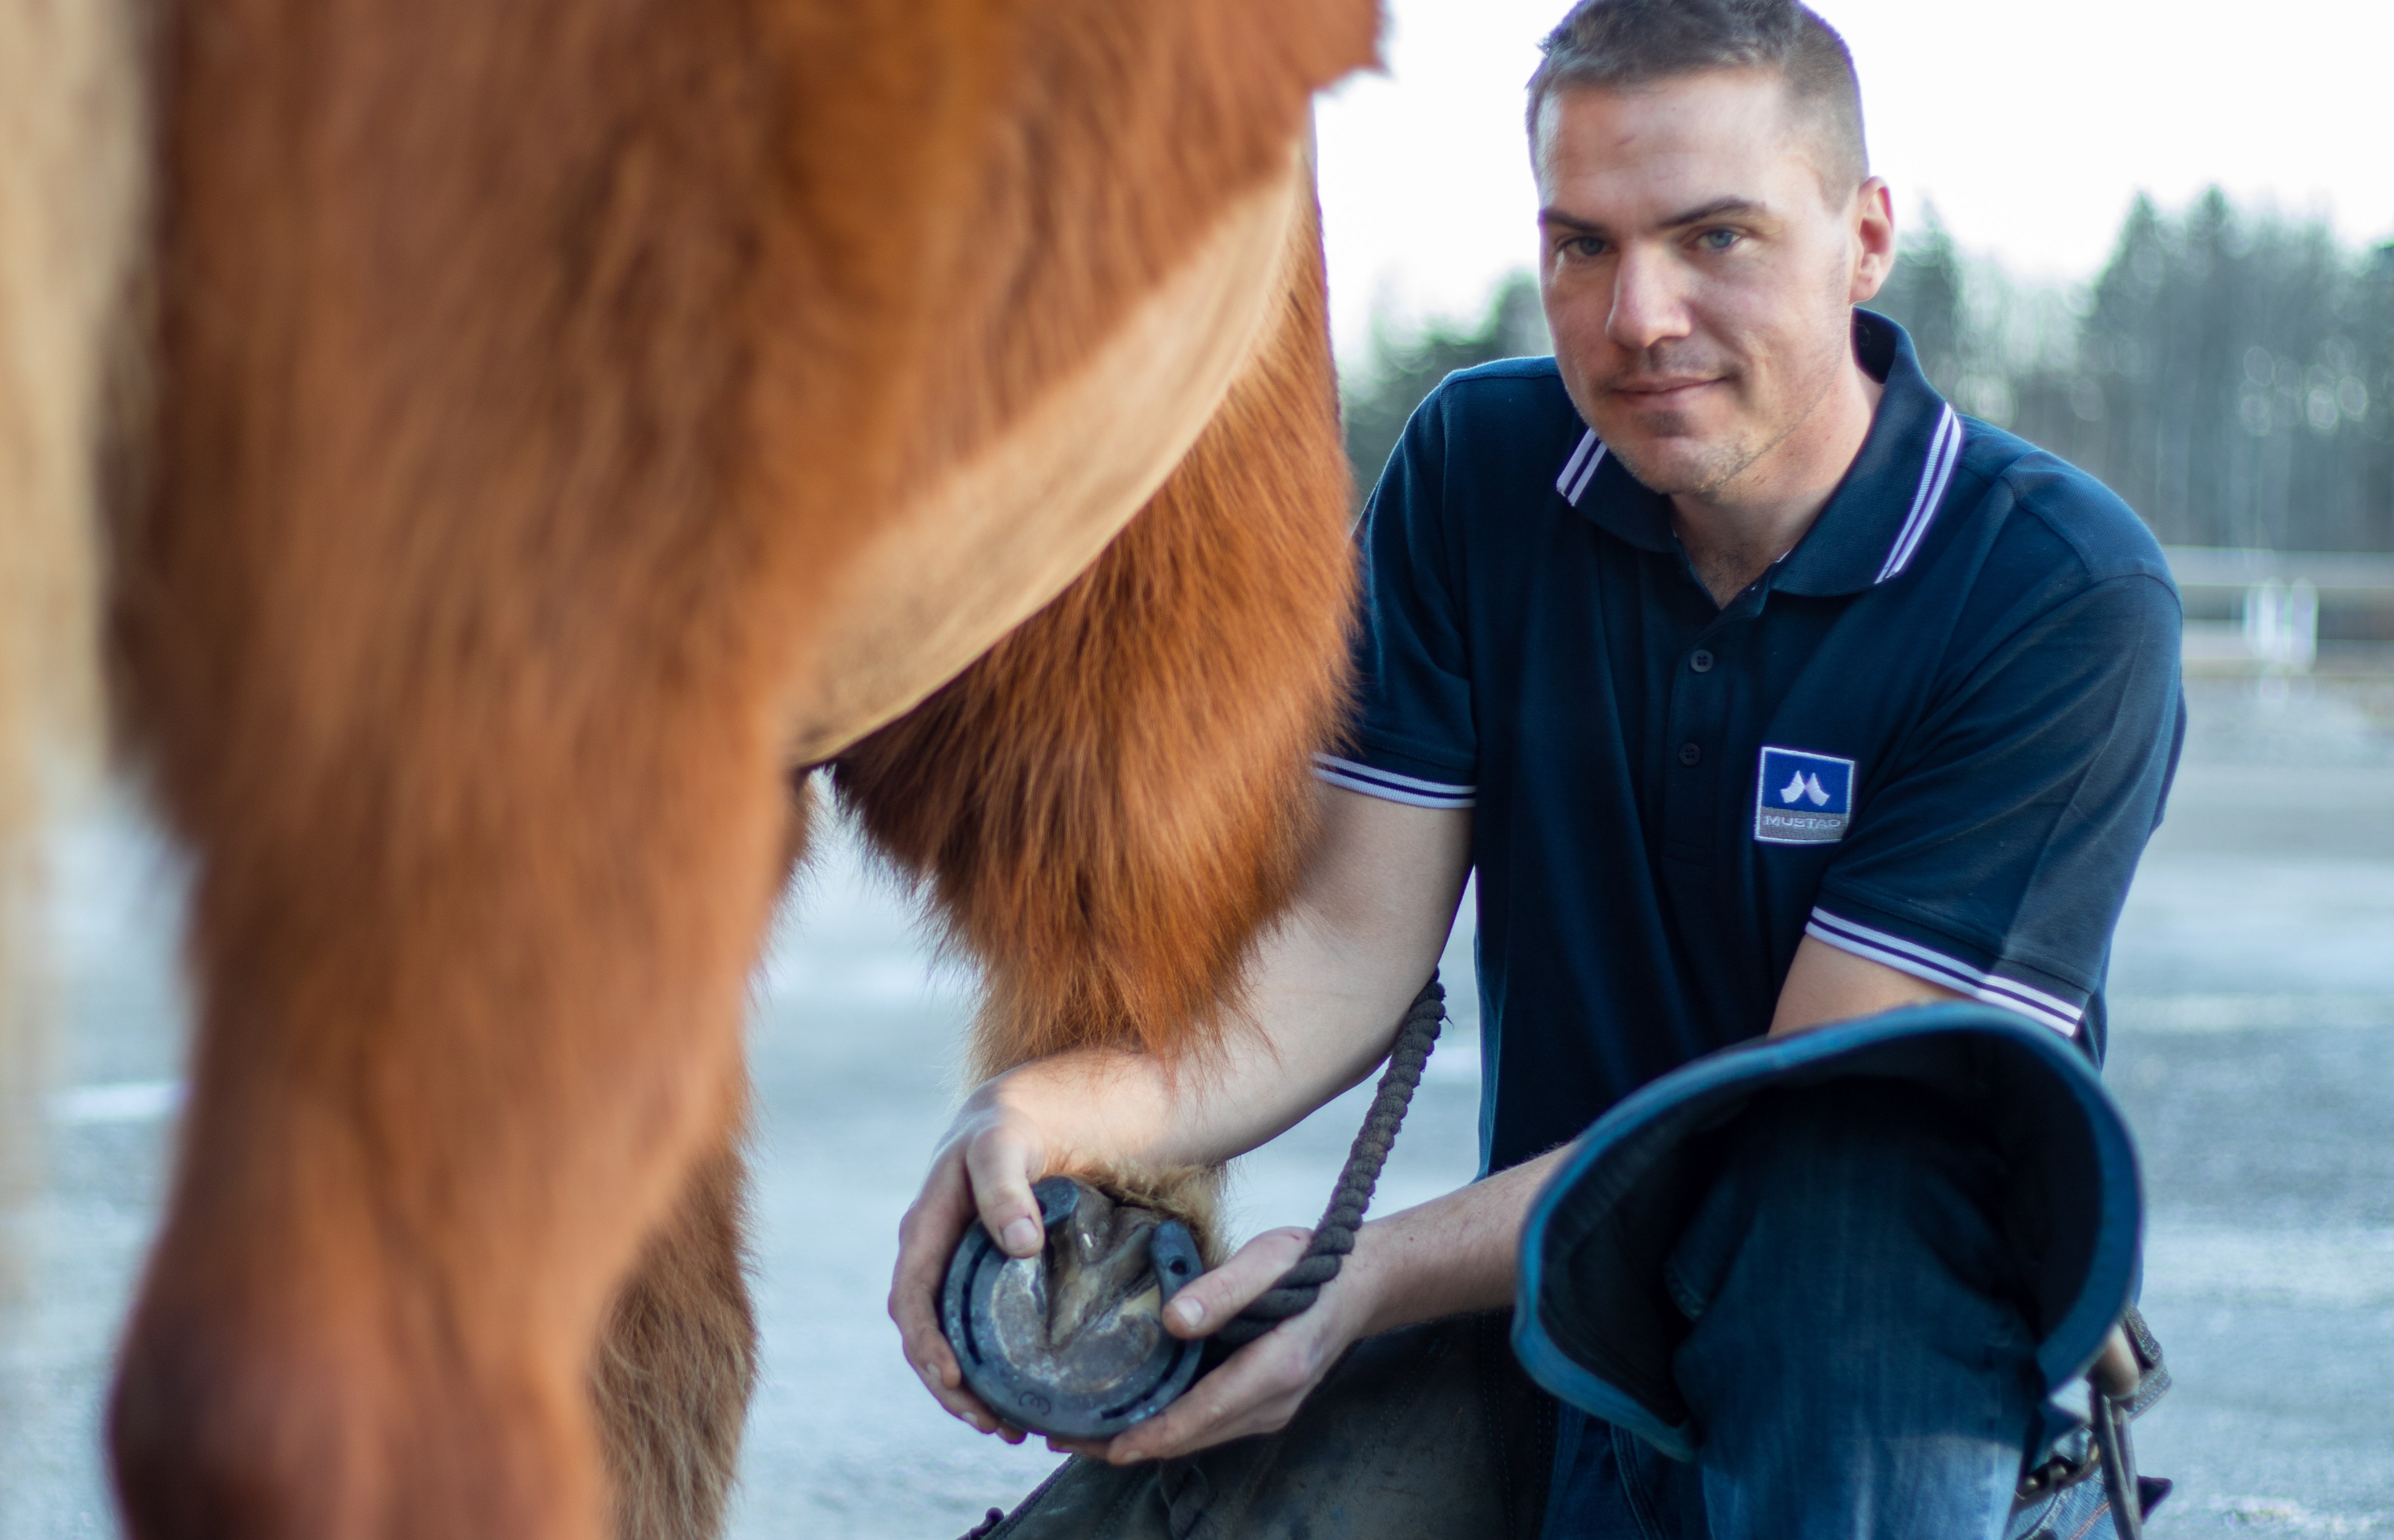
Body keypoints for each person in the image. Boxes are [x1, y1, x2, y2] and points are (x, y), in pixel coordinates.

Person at [889, 0, 2185, 1532]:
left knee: (1851, 1199)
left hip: (1868, 1380)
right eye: (1584, 245)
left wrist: (1361, 1278)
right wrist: (1057, 1115)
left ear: (1866, 237)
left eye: (1716, 239)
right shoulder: (1481, 474)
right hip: (1557, 1314)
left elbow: (1784, 1120)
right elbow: (1345, 952)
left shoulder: (2056, 589)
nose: (1638, 317)